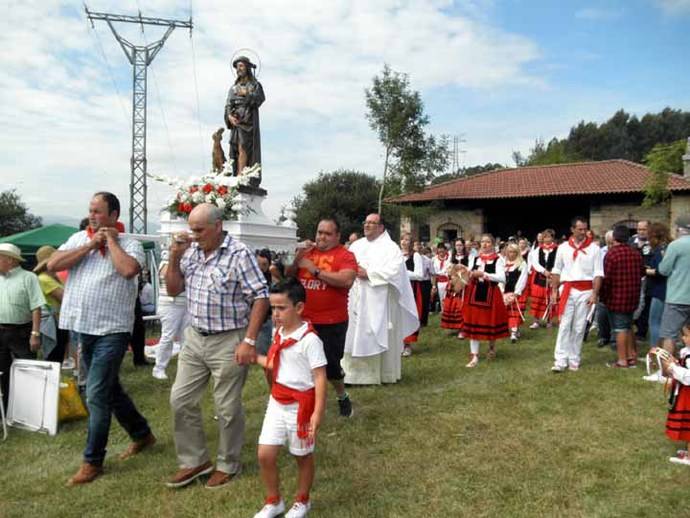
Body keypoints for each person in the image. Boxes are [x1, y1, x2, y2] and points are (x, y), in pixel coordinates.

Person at [48, 192, 154, 485]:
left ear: (113, 215)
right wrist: (89, 245)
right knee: (110, 389)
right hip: (83, 326)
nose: (92, 215)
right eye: (90, 211)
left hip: (113, 330)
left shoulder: (129, 243)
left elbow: (129, 270)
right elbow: (53, 265)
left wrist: (110, 242)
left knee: (95, 392)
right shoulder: (78, 238)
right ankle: (142, 434)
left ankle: (92, 461)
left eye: (98, 211)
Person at [165, 203, 269, 489]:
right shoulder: (191, 252)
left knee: (226, 406)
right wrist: (174, 257)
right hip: (195, 337)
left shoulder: (239, 254)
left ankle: (227, 463)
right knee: (180, 399)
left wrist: (249, 341)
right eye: (191, 229)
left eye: (199, 230)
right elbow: (173, 289)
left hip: (229, 339)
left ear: (218, 226)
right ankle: (195, 461)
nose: (194, 235)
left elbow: (260, 297)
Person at [253, 279, 327, 518]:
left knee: (302, 455)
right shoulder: (279, 333)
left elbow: (319, 377)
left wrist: (317, 412)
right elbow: (276, 363)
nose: (276, 313)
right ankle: (274, 501)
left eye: (281, 308)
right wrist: (254, 358)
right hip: (277, 402)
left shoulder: (310, 340)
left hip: (301, 406)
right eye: (273, 308)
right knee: (265, 453)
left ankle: (302, 501)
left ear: (299, 308)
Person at [341, 214, 419, 385]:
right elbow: (345, 263)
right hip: (356, 296)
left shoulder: (390, 248)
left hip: (380, 298)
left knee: (376, 331)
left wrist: (369, 274)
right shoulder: (356, 245)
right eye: (366, 222)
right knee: (353, 333)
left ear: (381, 227)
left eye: (372, 223)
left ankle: (381, 374)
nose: (367, 225)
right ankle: (352, 375)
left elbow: (394, 271)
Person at [290, 219, 357, 416]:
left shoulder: (345, 255)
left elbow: (346, 280)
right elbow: (288, 275)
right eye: (320, 232)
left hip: (332, 321)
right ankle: (305, 404)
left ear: (337, 236)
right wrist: (296, 260)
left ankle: (342, 396)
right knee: (301, 364)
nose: (321, 237)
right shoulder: (307, 252)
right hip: (303, 320)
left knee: (331, 367)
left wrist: (314, 270)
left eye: (327, 234)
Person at [550, 216, 604, 372]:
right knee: (565, 324)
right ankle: (560, 360)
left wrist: (595, 293)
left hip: (586, 290)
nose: (583, 232)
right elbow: (557, 269)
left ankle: (574, 358)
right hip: (568, 289)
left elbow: (598, 273)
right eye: (579, 229)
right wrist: (554, 290)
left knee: (580, 327)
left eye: (585, 229)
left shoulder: (594, 249)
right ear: (572, 229)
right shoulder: (563, 247)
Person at [0, 243, 44, 409]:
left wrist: (35, 333)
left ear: (10, 260)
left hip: (22, 331)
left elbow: (36, 307)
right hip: (1, 331)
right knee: (2, 372)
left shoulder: (29, 277)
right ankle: (5, 408)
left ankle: (31, 409)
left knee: (28, 370)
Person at [458, 234, 508, 367]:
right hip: (474, 293)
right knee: (473, 322)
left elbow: (502, 278)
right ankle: (474, 356)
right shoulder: (475, 258)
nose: (485, 244)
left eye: (487, 242)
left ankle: (491, 347)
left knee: (490, 321)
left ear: (492, 244)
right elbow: (469, 273)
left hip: (491, 293)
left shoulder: (498, 260)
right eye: (482, 242)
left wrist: (484, 275)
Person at [601, 225, 643, 369]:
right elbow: (642, 272)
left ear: (614, 238)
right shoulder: (636, 253)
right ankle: (632, 355)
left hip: (617, 297)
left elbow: (606, 279)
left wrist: (603, 297)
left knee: (619, 329)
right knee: (628, 325)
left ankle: (622, 360)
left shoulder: (611, 254)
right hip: (633, 296)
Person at [225, 56, 265, 180]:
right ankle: (237, 173)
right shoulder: (233, 88)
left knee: (243, 145)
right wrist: (229, 116)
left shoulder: (254, 85)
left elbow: (260, 98)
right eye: (237, 67)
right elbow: (228, 104)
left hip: (247, 119)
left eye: (241, 66)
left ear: (247, 67)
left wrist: (246, 93)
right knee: (235, 148)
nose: (238, 69)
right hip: (236, 119)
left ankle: (241, 176)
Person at [152, 250, 188, 380]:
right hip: (170, 305)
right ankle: (159, 368)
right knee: (168, 336)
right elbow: (168, 277)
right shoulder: (167, 260)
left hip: (186, 304)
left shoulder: (188, 260)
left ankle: (184, 369)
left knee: (187, 338)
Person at [658, 216, 690, 354]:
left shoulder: (675, 245)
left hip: (677, 296)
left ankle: (666, 372)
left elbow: (664, 270)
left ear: (679, 229)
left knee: (669, 335)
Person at [33, 245, 70, 364]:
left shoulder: (51, 278)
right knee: (54, 356)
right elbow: (65, 298)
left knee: (57, 354)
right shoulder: (44, 279)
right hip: (53, 323)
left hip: (58, 321)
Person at [399, 234, 425, 357]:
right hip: (398, 290)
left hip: (412, 290)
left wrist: (404, 274)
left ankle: (408, 344)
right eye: (402, 239)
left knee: (408, 315)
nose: (404, 242)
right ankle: (398, 344)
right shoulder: (396, 255)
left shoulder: (415, 256)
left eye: (407, 240)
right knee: (397, 316)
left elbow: (420, 275)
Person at [645, 222, 670, 348]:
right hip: (669, 290)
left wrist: (646, 270)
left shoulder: (660, 251)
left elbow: (661, 271)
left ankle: (655, 351)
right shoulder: (669, 247)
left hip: (660, 290)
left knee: (654, 322)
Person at [528, 229, 558, 328]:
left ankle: (549, 321)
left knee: (550, 298)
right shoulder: (538, 250)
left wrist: (552, 273)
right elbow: (535, 263)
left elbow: (559, 262)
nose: (547, 239)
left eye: (549, 237)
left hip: (552, 276)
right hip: (540, 277)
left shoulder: (557, 249)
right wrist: (544, 271)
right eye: (545, 237)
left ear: (552, 238)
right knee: (538, 298)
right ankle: (536, 321)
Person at [630, 220, 653, 341]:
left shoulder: (653, 243)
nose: (641, 232)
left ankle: (641, 331)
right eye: (639, 229)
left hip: (648, 279)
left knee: (645, 304)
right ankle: (632, 326)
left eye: (643, 229)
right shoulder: (631, 242)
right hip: (632, 278)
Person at [502, 243, 529, 343]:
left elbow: (523, 279)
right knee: (507, 312)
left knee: (515, 312)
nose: (511, 254)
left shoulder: (522, 264)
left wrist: (516, 293)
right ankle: (512, 329)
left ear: (517, 253)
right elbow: (501, 278)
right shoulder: (503, 263)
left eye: (514, 252)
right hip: (505, 291)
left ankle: (514, 331)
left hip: (517, 292)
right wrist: (501, 291)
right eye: (509, 252)